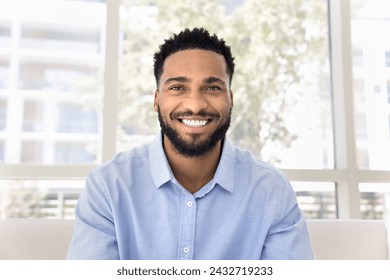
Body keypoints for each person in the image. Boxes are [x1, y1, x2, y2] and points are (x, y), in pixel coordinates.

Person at [67, 27, 313, 260]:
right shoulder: (108, 188)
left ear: (231, 98)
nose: (195, 105)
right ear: (156, 99)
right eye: (177, 87)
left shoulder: (272, 191)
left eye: (212, 87)